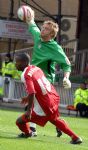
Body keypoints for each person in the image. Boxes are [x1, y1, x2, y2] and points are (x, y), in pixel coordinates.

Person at [21, 6, 72, 137]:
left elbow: (66, 64)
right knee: (44, 108)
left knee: (37, 104)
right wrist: (28, 15)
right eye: (43, 27)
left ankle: (32, 129)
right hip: (33, 76)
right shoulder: (38, 36)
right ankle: (58, 125)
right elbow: (31, 23)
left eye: (46, 29)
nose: (42, 29)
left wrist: (67, 78)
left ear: (51, 34)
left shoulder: (55, 48)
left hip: (46, 79)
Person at [15, 53, 82, 144]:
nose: (15, 64)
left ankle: (28, 133)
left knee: (19, 121)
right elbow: (39, 85)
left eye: (17, 62)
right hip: (52, 97)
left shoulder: (25, 75)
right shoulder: (36, 68)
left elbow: (32, 92)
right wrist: (28, 98)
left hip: (44, 103)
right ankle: (75, 137)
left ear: (24, 62)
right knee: (54, 119)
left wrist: (29, 110)